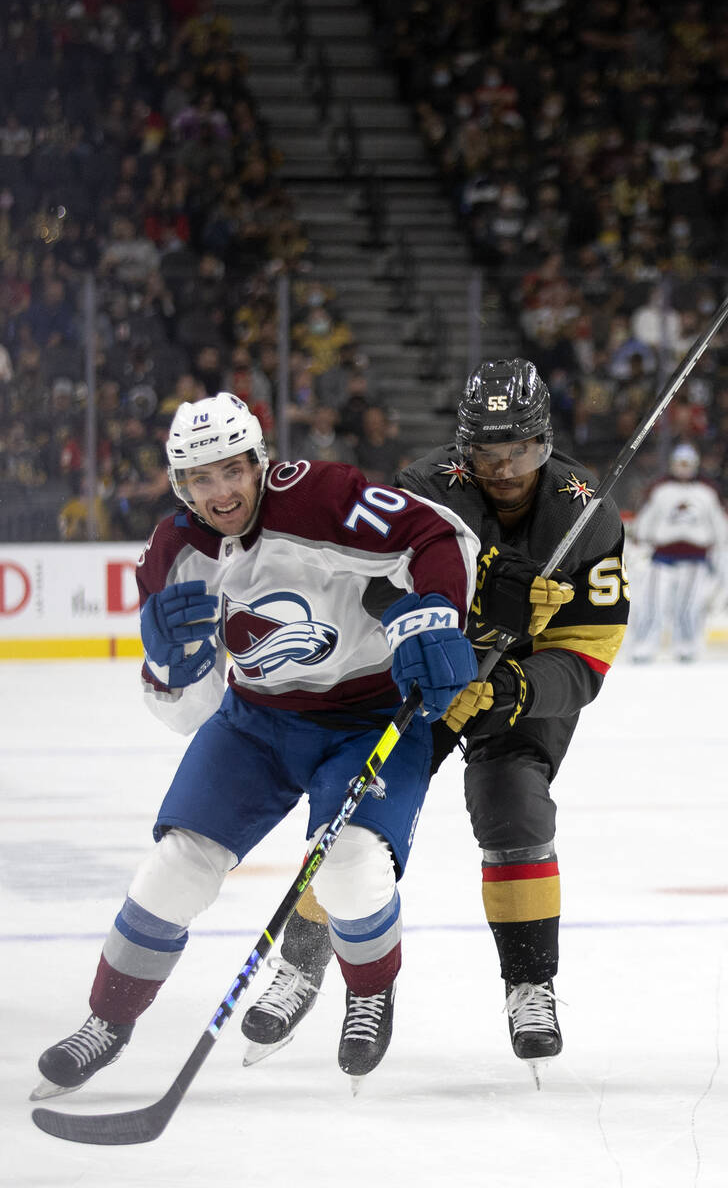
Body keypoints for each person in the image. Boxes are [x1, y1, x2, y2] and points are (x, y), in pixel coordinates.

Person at [31, 391, 481, 1100]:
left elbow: (438, 534)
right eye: (200, 479)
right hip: (256, 723)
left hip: (368, 714)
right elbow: (193, 711)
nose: (220, 492)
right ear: (181, 485)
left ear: (258, 463)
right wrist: (166, 670)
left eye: (231, 470)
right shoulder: (174, 554)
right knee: (175, 867)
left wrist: (435, 613)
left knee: (349, 869)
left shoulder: (326, 499)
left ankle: (368, 991)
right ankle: (106, 1023)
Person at [242, 359, 630, 1081]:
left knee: (512, 806)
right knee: (359, 810)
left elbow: (588, 659)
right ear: (462, 448)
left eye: (520, 449)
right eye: (487, 451)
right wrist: (465, 620)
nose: (505, 467)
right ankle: (302, 966)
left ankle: (528, 983)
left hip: (518, 688)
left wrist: (508, 689)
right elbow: (363, 592)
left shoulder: (588, 515)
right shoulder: (421, 492)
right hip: (423, 672)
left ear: (546, 442)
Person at [628, 443, 728, 663]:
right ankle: (644, 646)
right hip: (662, 558)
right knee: (652, 604)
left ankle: (687, 647)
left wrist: (723, 546)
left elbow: (719, 523)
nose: (684, 468)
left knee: (688, 606)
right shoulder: (661, 490)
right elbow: (647, 519)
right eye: (680, 463)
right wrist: (641, 538)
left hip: (695, 559)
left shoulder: (706, 492)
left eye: (688, 463)